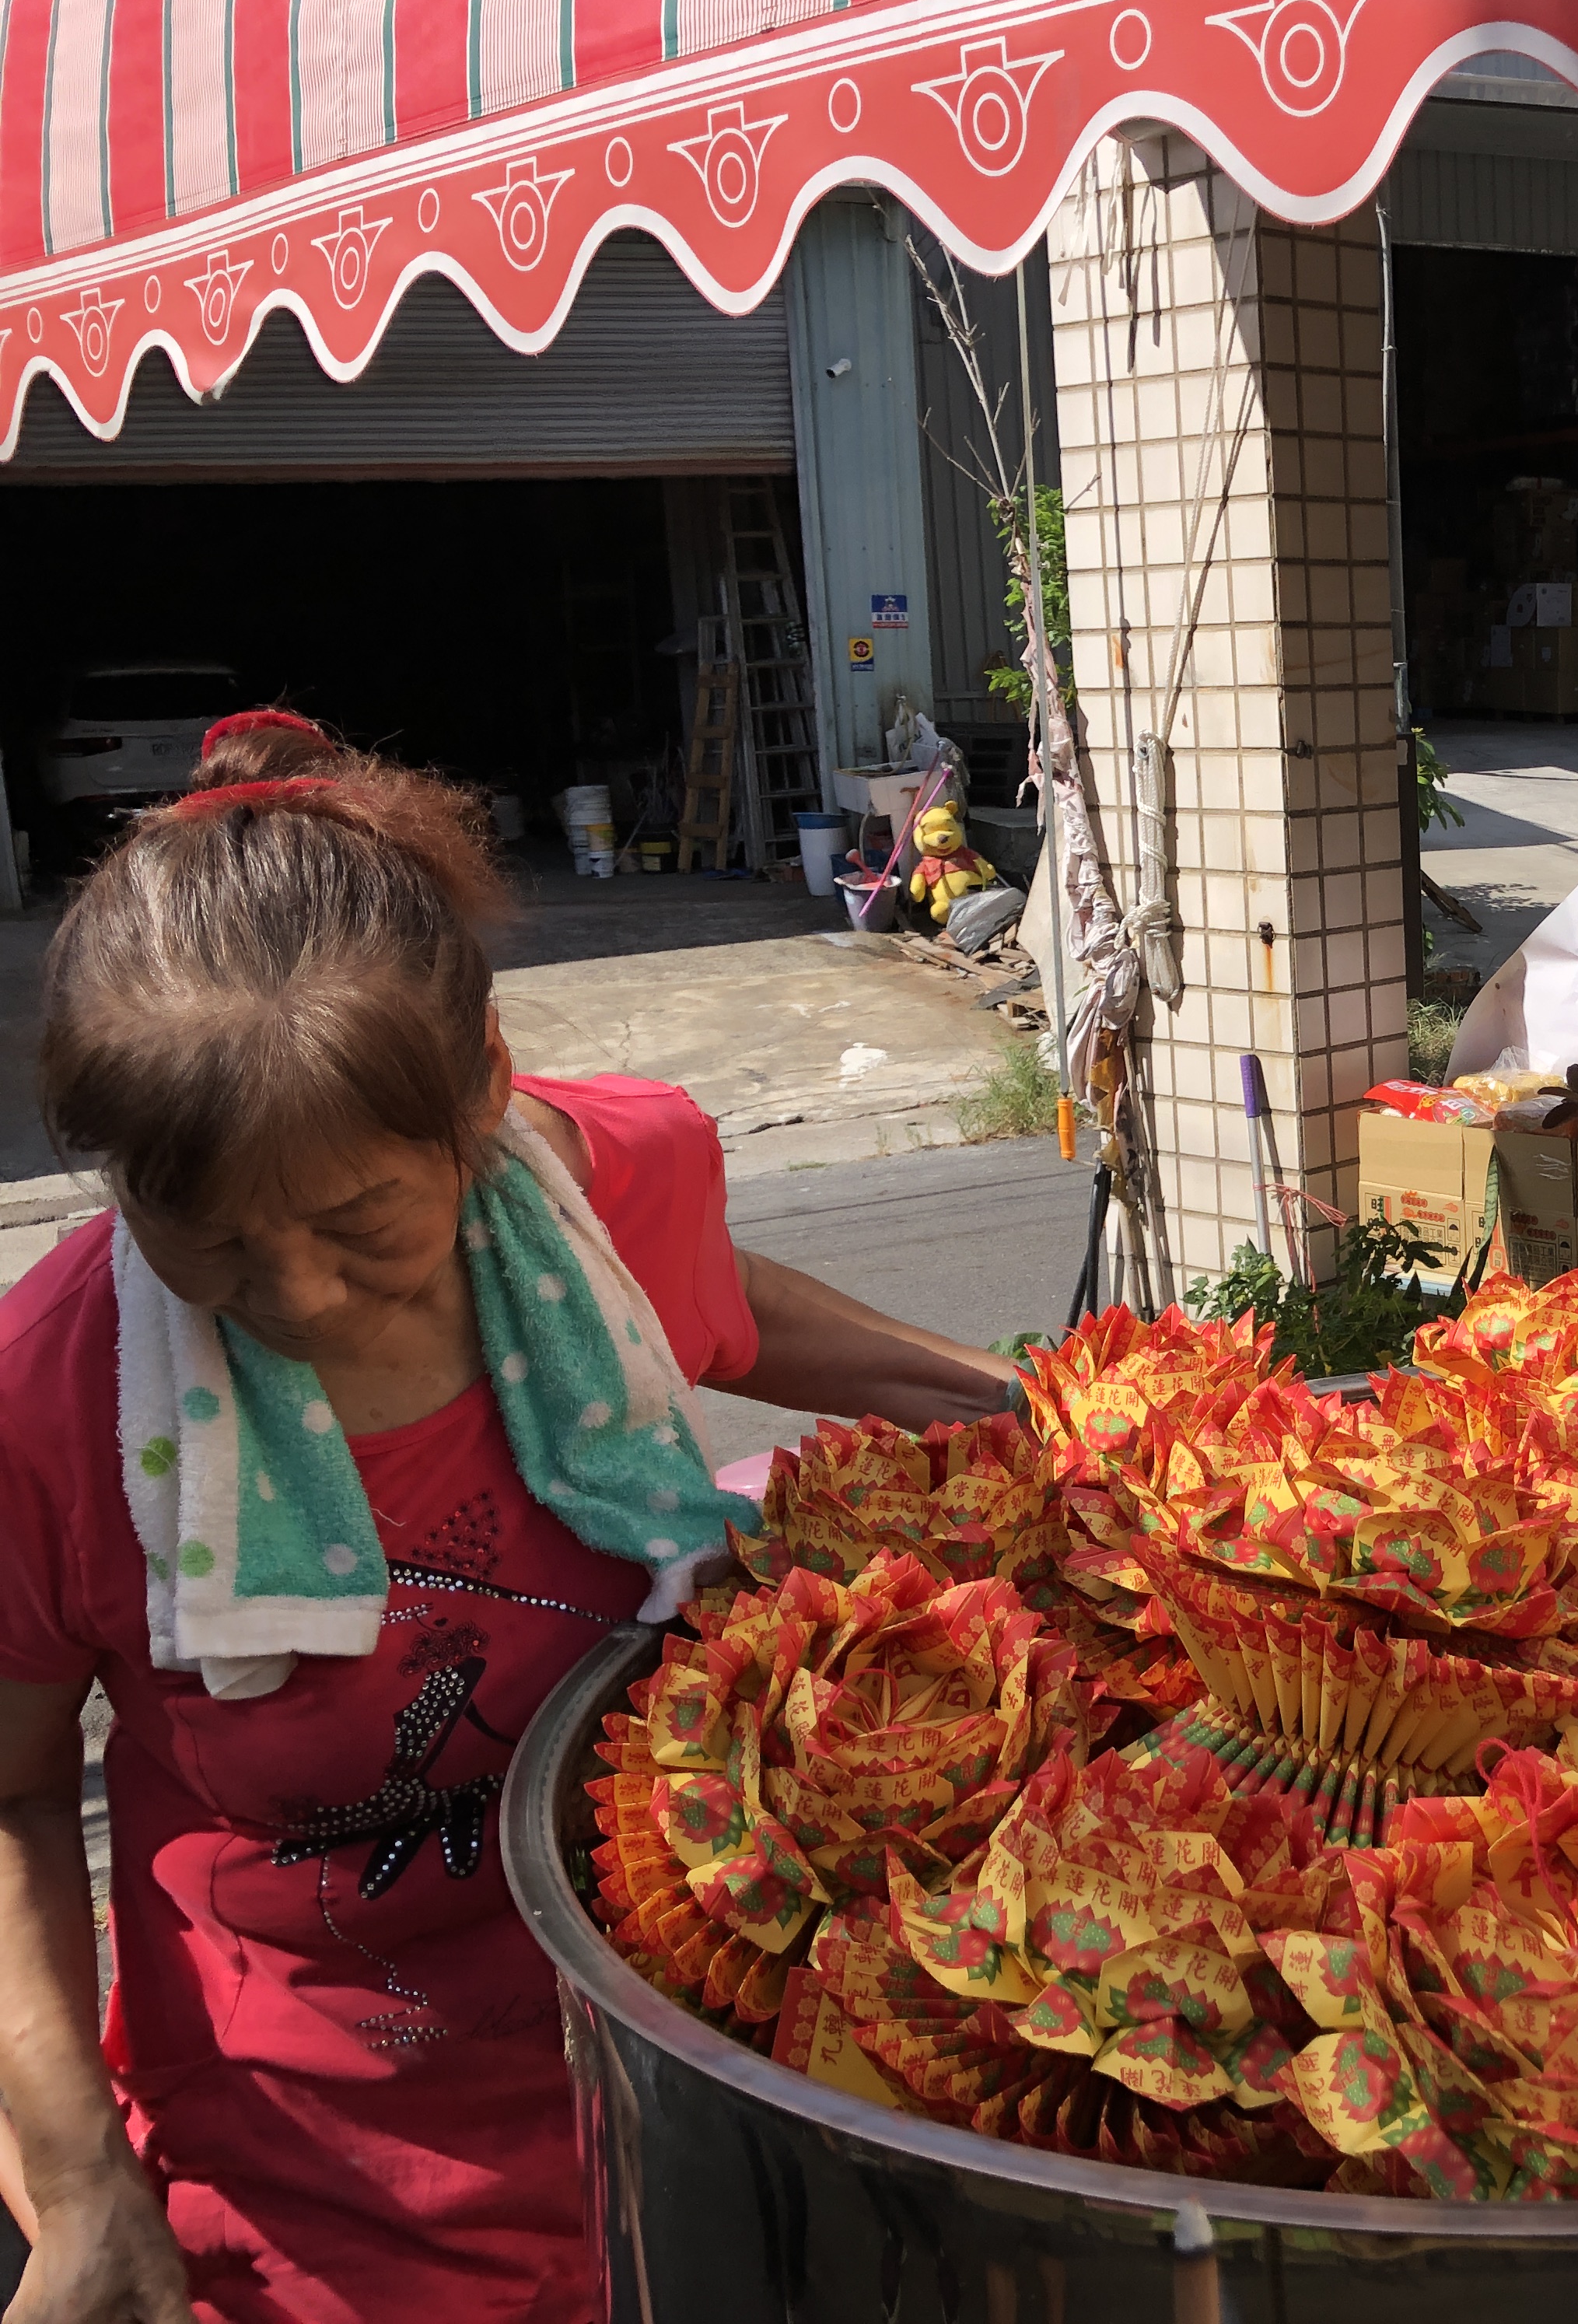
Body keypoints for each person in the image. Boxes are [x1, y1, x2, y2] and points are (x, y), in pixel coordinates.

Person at [0, 717, 1030, 2322]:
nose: (296, 1297)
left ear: (483, 1097)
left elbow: (713, 1307)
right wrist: (76, 2188)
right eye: (208, 1241)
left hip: (694, 2096)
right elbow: (6, 1804)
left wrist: (1023, 1407)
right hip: (314, 2204)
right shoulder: (59, 1405)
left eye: (362, 1226)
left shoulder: (568, 1214)